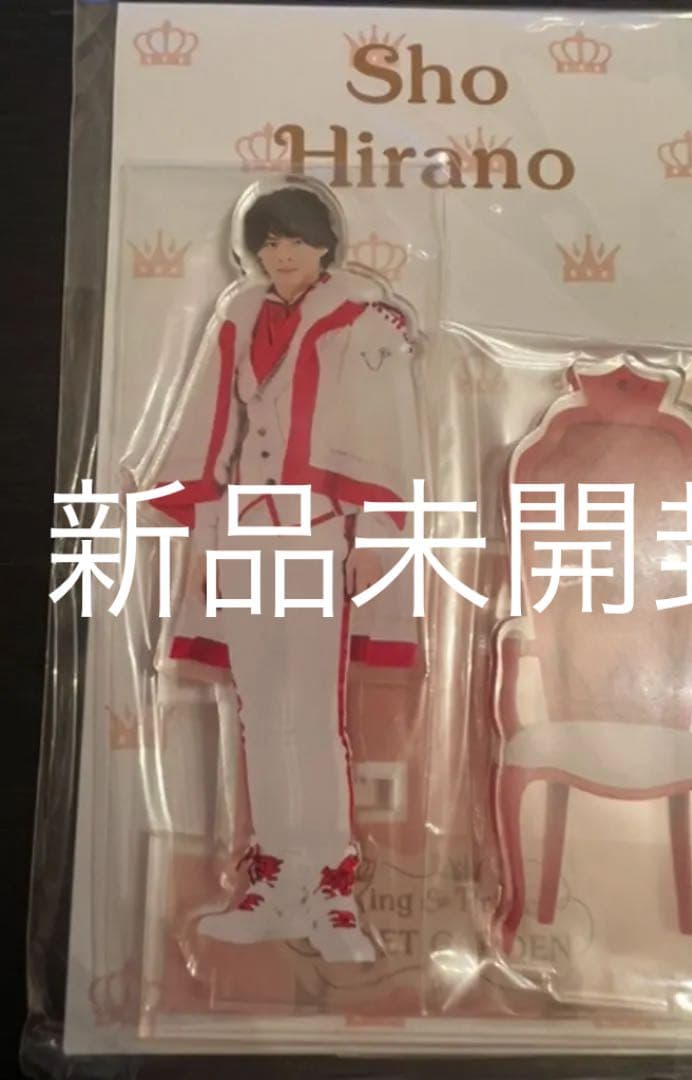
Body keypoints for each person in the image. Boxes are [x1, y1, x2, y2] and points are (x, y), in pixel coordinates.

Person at [145, 179, 421, 962]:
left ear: (326, 245)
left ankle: (330, 885)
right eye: (269, 242)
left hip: (313, 531)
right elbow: (213, 422)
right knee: (259, 709)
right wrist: (203, 530)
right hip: (245, 529)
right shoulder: (238, 314)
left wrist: (375, 530)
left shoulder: (361, 320)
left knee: (311, 712)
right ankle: (274, 879)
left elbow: (382, 430)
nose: (283, 254)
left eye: (296, 240)